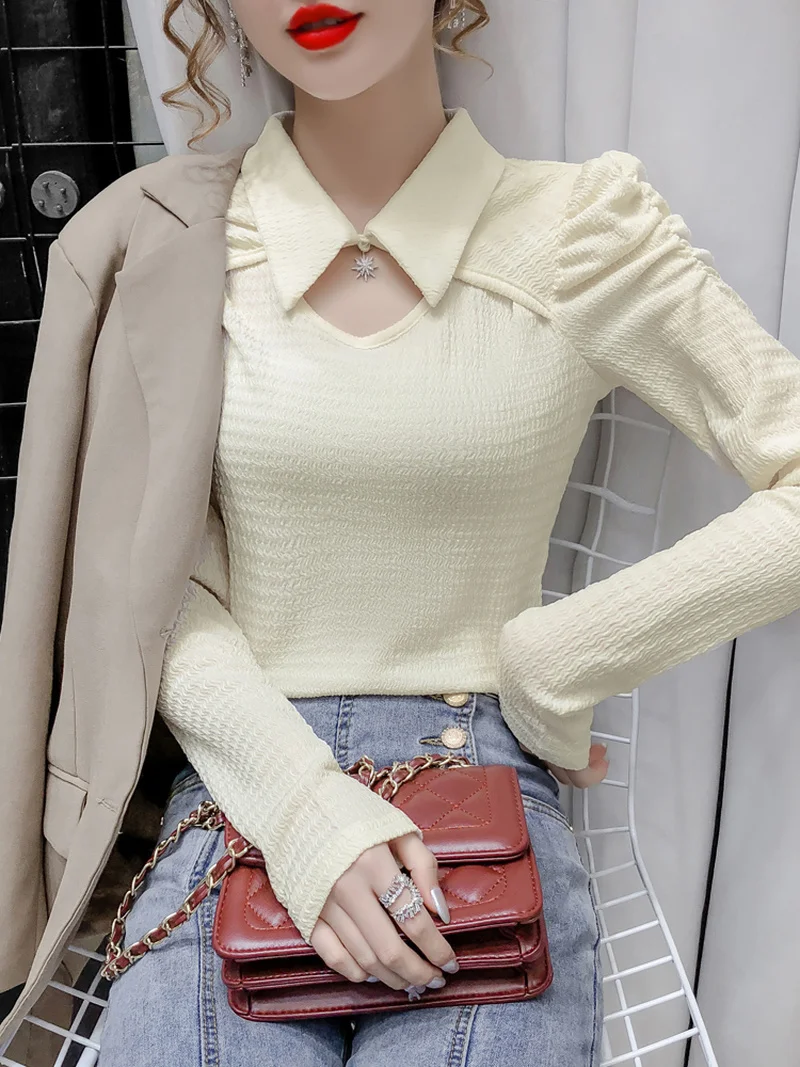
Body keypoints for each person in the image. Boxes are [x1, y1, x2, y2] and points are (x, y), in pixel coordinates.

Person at [3, 0, 800, 1063]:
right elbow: (145, 587)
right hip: (242, 786)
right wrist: (304, 810)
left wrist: (556, 656)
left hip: (481, 791)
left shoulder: (578, 232)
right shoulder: (170, 245)